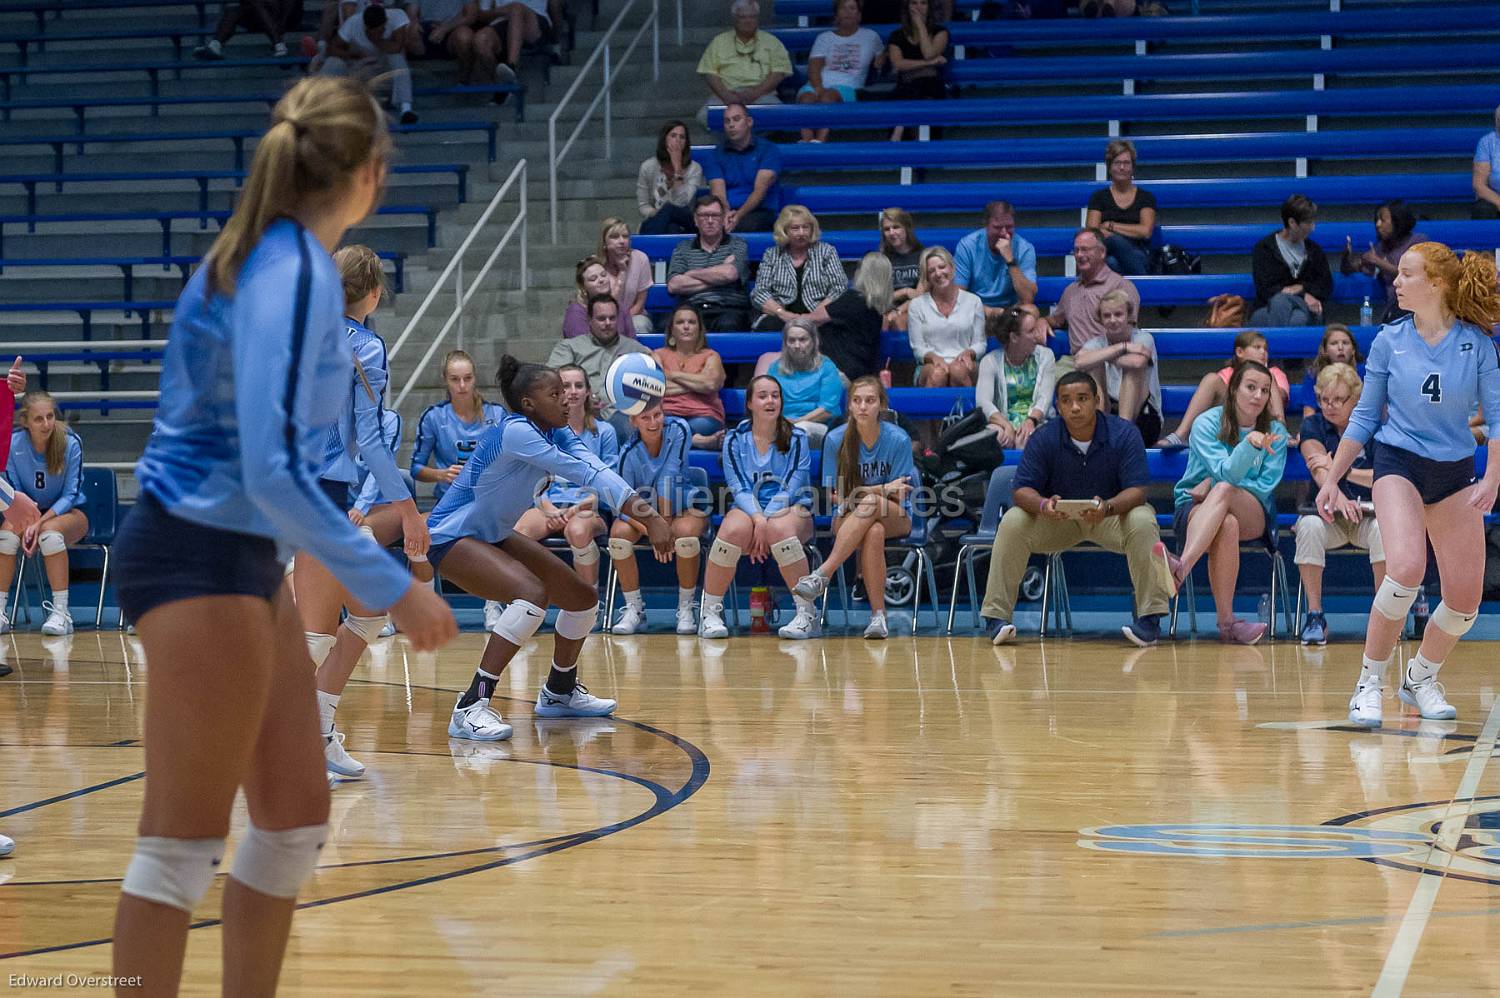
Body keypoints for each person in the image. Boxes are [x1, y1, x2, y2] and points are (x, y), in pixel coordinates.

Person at [109, 77, 455, 996]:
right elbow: (268, 468)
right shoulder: (292, 268)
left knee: (295, 818)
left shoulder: (277, 259)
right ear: (371, 175)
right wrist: (390, 582)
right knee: (179, 849)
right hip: (192, 554)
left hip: (238, 558)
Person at [429, 356, 672, 742]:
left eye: (567, 392)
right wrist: (652, 518)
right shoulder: (515, 432)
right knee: (532, 595)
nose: (566, 400)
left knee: (581, 599)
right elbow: (586, 474)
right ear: (528, 402)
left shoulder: (557, 432)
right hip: (449, 535)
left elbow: (596, 466)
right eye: (554, 393)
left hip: (492, 532)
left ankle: (559, 691)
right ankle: (470, 706)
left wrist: (645, 515)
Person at [1315, 242, 1500, 727]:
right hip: (1398, 465)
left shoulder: (1477, 344)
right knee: (1405, 570)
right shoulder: (1387, 340)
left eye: (1406, 274)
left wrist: (1494, 476)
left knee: (1464, 600)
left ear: (1436, 284)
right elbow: (1362, 418)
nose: (1395, 282)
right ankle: (1369, 682)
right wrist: (1332, 480)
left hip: (1456, 471)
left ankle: (1420, 678)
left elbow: (1497, 420)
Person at [295, 243, 431, 782]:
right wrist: (408, 508)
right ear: (374, 293)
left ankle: (319, 731)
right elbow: (373, 442)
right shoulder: (363, 346)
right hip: (319, 491)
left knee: (372, 606)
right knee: (312, 635)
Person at [981, 370, 1171, 647]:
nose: (1075, 407)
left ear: (1097, 400)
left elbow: (1139, 490)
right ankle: (996, 619)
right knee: (1013, 520)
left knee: (1143, 519)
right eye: (1067, 401)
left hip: (1110, 516)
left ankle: (1149, 620)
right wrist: (1044, 505)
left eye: (1082, 398)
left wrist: (1108, 507)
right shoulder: (1044, 438)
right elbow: (1021, 491)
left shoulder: (1124, 433)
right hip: (1058, 519)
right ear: (1057, 406)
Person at [1162, 361, 1289, 645]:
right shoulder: (1207, 422)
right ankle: (1227, 623)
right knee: (1226, 522)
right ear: (1233, 390)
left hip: (1253, 512)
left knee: (1226, 489)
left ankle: (1181, 566)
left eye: (1265, 390)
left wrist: (1213, 486)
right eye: (1251, 387)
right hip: (1194, 509)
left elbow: (1263, 486)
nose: (1258, 396)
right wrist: (1246, 449)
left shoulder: (1276, 432)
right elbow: (1223, 471)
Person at [793, 377, 916, 640]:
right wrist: (881, 489)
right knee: (873, 532)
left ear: (880, 405)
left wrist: (866, 495)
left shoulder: (899, 439)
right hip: (848, 515)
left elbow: (900, 493)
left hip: (897, 514)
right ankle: (878, 617)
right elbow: (834, 497)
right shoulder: (835, 439)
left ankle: (823, 574)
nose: (863, 407)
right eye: (857, 401)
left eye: (870, 401)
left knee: (872, 505)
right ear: (848, 406)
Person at [699, 375, 818, 640]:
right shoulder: (734, 438)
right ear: (750, 403)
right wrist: (758, 519)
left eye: (775, 395)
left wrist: (764, 521)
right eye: (763, 395)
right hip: (750, 507)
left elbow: (790, 487)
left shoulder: (797, 437)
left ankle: (806, 614)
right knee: (731, 530)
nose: (770, 400)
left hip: (792, 507)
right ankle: (709, 613)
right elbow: (737, 486)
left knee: (779, 529)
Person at [1295, 363, 1382, 645]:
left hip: (1368, 516)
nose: (1329, 406)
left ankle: (1384, 617)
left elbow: (1383, 476)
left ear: (1355, 399)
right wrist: (1340, 498)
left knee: (1386, 530)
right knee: (1307, 526)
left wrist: (1342, 470)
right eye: (1324, 400)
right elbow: (1318, 469)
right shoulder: (1313, 425)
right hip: (1328, 517)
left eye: (1338, 400)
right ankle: (1315, 615)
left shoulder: (1374, 426)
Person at [513, 364, 617, 596]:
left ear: (588, 392)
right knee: (518, 531)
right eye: (565, 386)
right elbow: (534, 480)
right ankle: (525, 599)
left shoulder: (604, 432)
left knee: (578, 530)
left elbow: (607, 483)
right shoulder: (541, 431)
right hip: (548, 507)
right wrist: (548, 508)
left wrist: (574, 510)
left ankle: (588, 603)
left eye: (579, 385)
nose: (572, 391)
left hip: (588, 508)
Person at [608, 404, 710, 635]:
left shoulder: (679, 429)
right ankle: (635, 609)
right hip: (645, 512)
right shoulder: (628, 452)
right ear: (633, 421)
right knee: (619, 534)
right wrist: (652, 530)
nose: (654, 422)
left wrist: (662, 526)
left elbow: (669, 476)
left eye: (658, 415)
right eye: (646, 418)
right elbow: (622, 502)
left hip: (683, 502)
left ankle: (686, 608)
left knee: (686, 533)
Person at [0, 392, 86, 636]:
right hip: (25, 511)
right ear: (25, 421)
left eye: (50, 416)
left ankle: (61, 613)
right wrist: (29, 522)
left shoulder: (70, 442)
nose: (47, 424)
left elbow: (70, 495)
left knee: (50, 536)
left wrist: (38, 524)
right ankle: (0, 612)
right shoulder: (13, 443)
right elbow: (14, 493)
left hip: (69, 512)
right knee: (5, 538)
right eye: (39, 419)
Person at [1157, 330, 1290, 448]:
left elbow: (1281, 398)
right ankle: (1181, 435)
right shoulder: (1227, 373)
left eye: (1265, 349)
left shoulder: (1274, 372)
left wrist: (1260, 384)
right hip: (1231, 422)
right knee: (1211, 379)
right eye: (1257, 347)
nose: (1263, 352)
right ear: (1239, 352)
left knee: (1267, 377)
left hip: (1261, 420)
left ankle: (1282, 432)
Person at [547, 294, 655, 438]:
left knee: (631, 428)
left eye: (612, 318)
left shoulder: (634, 350)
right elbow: (551, 381)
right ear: (590, 320)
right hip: (578, 410)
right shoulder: (570, 347)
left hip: (618, 413)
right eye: (601, 318)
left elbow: (651, 387)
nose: (607, 323)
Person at [411, 349, 506, 501]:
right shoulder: (434, 417)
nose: (462, 385)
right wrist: (441, 474)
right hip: (450, 500)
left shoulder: (496, 414)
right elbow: (415, 469)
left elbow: (512, 461)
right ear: (445, 380)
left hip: (490, 498)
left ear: (475, 378)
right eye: (455, 379)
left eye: (467, 378)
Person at [1074, 288, 1162, 443]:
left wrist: (1103, 356)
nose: (1113, 320)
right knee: (1093, 366)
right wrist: (1122, 348)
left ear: (1129, 316)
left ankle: (1123, 433)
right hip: (1109, 411)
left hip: (1144, 417)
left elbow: (1137, 362)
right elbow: (1079, 362)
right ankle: (1098, 430)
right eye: (1107, 316)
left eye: (1118, 314)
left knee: (1131, 369)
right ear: (1100, 319)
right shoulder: (1096, 343)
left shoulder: (1143, 338)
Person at [797, 0, 886, 144]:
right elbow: (814, 67)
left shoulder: (871, 37)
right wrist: (818, 88)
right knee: (806, 98)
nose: (847, 12)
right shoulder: (824, 37)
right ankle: (806, 140)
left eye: (852, 8)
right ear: (836, 14)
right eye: (843, 8)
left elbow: (882, 59)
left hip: (848, 87)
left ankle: (820, 141)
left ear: (859, 15)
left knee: (828, 98)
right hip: (817, 83)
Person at [750, 204, 847, 331]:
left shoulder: (826, 251)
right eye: (795, 228)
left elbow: (839, 288)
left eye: (805, 227)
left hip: (819, 314)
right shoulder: (772, 254)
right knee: (771, 326)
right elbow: (760, 292)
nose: (801, 233)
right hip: (781, 316)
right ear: (784, 230)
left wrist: (816, 315)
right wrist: (782, 313)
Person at [1046, 227, 1140, 357]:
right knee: (1049, 374)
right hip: (1075, 363)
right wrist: (1042, 322)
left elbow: (1128, 333)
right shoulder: (1070, 291)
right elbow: (1056, 320)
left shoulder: (1122, 286)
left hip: (1110, 361)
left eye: (1085, 249)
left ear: (1102, 252)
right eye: (1076, 250)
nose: (1079, 255)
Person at [666, 194, 753, 332]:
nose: (710, 220)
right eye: (704, 216)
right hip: (692, 310)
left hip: (729, 309)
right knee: (670, 326)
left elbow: (730, 274)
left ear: (723, 218)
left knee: (729, 324)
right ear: (695, 219)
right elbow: (674, 285)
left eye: (715, 215)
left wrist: (691, 273)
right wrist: (719, 274)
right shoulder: (683, 248)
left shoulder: (738, 245)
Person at [752, 319, 845, 446]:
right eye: (791, 340)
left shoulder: (827, 367)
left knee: (799, 430)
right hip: (782, 423)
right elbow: (769, 402)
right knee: (747, 425)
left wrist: (795, 422)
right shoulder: (775, 368)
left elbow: (827, 410)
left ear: (813, 341)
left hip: (818, 425)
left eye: (802, 340)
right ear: (785, 343)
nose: (797, 345)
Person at [976, 306, 1055, 452]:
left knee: (1026, 441)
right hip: (1002, 422)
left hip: (1037, 422)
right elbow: (983, 403)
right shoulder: (989, 361)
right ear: (1014, 337)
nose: (1037, 335)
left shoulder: (1046, 356)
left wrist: (1031, 421)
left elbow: (1045, 397)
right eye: (1031, 331)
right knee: (993, 437)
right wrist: (1006, 426)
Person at [322, 5, 419, 124]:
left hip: (386, 69)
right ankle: (320, 102)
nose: (382, 31)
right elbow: (332, 49)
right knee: (333, 61)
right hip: (362, 68)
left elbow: (396, 48)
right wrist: (352, 54)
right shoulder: (353, 23)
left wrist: (377, 40)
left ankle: (406, 109)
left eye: (382, 28)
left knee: (396, 58)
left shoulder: (397, 16)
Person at [697, 0, 791, 118]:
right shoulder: (718, 42)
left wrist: (755, 93)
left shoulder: (772, 42)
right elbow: (709, 73)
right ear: (734, 18)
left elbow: (778, 73)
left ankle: (753, 137)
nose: (748, 21)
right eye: (743, 17)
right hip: (725, 95)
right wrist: (726, 95)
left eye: (752, 17)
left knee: (778, 116)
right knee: (704, 116)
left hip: (762, 95)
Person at [1250, 194, 1332, 327]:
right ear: (1292, 223)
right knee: (1284, 307)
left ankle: (1276, 346)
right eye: (1308, 222)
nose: (1313, 227)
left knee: (1297, 317)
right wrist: (1302, 295)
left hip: (1307, 308)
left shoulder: (1314, 251)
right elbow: (1265, 289)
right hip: (1269, 306)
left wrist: (1301, 288)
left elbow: (1325, 285)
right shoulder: (1264, 249)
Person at [908, 245, 985, 388]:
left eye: (942, 267)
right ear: (927, 277)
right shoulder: (916, 305)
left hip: (965, 362)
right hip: (929, 364)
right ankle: (932, 411)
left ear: (952, 268)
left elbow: (980, 343)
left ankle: (970, 410)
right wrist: (934, 358)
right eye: (931, 271)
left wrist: (969, 353)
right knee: (938, 374)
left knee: (958, 371)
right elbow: (918, 348)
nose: (938, 273)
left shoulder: (974, 301)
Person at [703, 103, 784, 235]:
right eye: (727, 121)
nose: (731, 125)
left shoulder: (769, 150)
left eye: (736, 119)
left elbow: (759, 191)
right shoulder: (714, 155)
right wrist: (727, 213)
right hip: (725, 212)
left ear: (749, 122)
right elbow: (718, 192)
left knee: (744, 226)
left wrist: (738, 216)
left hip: (760, 212)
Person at [655, 304, 728, 449]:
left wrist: (670, 375)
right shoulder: (657, 355)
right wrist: (697, 383)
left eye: (692, 322)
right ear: (672, 329)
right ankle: (699, 441)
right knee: (655, 427)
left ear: (699, 329)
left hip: (703, 416)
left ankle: (682, 438)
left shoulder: (711, 356)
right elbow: (655, 387)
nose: (686, 326)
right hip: (666, 415)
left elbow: (710, 385)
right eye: (680, 322)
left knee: (669, 431)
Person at [1341, 200, 1424, 324]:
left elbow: (1412, 274)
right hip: (1395, 306)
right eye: (1376, 220)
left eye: (1383, 220)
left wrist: (1378, 262)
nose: (1378, 224)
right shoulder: (1381, 247)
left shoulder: (1418, 241)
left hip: (1417, 306)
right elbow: (1357, 268)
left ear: (1398, 220)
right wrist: (1347, 259)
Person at [1085, 140, 1157, 277]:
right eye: (1117, 163)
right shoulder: (1098, 197)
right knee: (1111, 262)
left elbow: (1145, 231)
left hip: (1139, 255)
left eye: (1126, 163)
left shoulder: (1146, 197)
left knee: (1112, 243)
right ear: (1109, 167)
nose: (1122, 167)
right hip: (1108, 255)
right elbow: (1092, 233)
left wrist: (1110, 226)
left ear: (1133, 166)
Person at [953, 201, 1037, 315]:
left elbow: (1028, 298)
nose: (1004, 233)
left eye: (1009, 227)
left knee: (1032, 311)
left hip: (1009, 313)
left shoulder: (1025, 249)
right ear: (986, 226)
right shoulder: (967, 246)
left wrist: (1010, 260)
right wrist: (990, 311)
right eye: (997, 227)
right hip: (977, 310)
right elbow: (958, 295)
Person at [819, 252, 891, 381]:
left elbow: (811, 319)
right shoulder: (879, 311)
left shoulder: (852, 299)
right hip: (860, 373)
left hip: (838, 371)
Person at [886, 0, 949, 142]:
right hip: (905, 86)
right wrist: (929, 63)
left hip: (932, 87)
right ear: (907, 7)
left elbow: (928, 52)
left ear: (929, 7)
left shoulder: (941, 32)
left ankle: (900, 127)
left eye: (923, 3)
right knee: (907, 90)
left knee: (923, 86)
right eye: (914, 3)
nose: (918, 7)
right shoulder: (896, 35)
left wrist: (920, 25)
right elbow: (898, 64)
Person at [638, 120, 706, 236]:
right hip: (659, 220)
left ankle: (651, 244)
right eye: (673, 136)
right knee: (672, 228)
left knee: (670, 208)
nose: (678, 140)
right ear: (664, 139)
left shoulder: (695, 168)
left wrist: (678, 169)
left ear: (686, 142)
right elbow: (643, 205)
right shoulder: (648, 167)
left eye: (682, 137)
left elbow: (681, 203)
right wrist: (661, 214)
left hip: (687, 220)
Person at [598, 216, 654, 337]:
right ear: (604, 242)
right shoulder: (596, 266)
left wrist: (624, 321)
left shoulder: (640, 258)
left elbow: (640, 301)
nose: (622, 241)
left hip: (634, 315)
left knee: (639, 325)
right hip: (603, 317)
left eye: (625, 236)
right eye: (615, 237)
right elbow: (604, 305)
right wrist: (622, 273)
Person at [195, 0, 301, 59]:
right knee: (232, 11)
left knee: (258, 4)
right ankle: (215, 46)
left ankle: (279, 44)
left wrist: (281, 22)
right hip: (261, 15)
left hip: (286, 17)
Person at [1299, 323, 1364, 418]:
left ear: (1353, 349)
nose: (1340, 347)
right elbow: (1309, 414)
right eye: (1334, 343)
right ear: (1325, 351)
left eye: (1345, 343)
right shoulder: (1314, 374)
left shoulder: (1366, 373)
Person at [562, 256, 633, 340]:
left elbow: (632, 342)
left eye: (603, 275)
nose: (601, 280)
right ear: (583, 287)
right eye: (593, 279)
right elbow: (580, 348)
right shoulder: (576, 312)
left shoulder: (621, 308)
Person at [879, 207, 924, 330]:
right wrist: (905, 291)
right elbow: (879, 298)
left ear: (906, 228)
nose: (892, 233)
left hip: (916, 309)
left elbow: (920, 296)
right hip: (886, 310)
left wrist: (899, 310)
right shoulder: (881, 259)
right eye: (887, 229)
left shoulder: (923, 256)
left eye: (896, 227)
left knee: (898, 322)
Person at [1471, 103, 1500, 219]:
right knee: (1482, 210)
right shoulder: (1487, 142)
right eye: (1498, 119)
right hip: (1495, 198)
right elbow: (1479, 185)